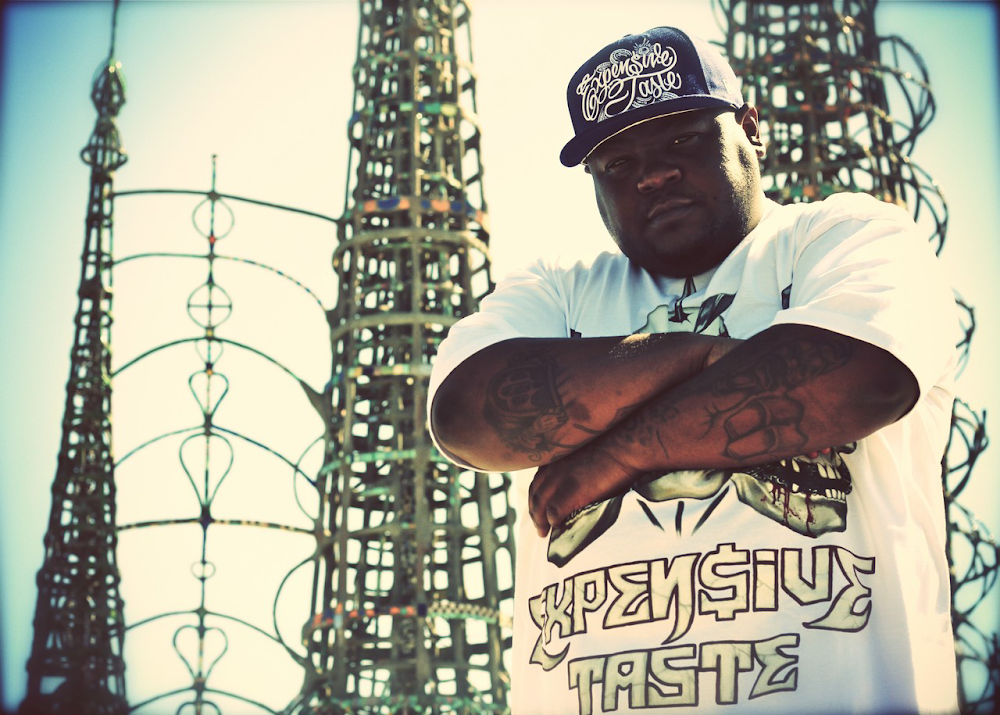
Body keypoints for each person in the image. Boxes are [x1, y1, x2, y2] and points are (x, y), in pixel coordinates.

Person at [428, 26, 959, 714]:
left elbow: (862, 378)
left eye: (682, 140)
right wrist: (703, 353)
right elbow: (466, 416)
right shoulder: (557, 291)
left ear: (751, 129)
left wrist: (618, 452)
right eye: (618, 162)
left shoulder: (850, 239)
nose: (652, 174)